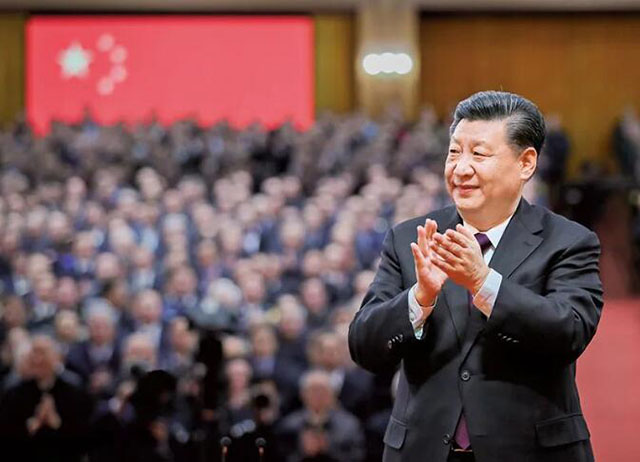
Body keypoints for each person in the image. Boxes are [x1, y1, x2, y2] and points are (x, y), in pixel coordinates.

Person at [348, 91, 603, 462]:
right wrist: (419, 299)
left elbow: (570, 332)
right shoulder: (411, 238)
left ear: (526, 163)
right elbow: (364, 346)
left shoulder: (568, 241)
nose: (461, 168)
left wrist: (484, 284)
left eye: (479, 154)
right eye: (454, 152)